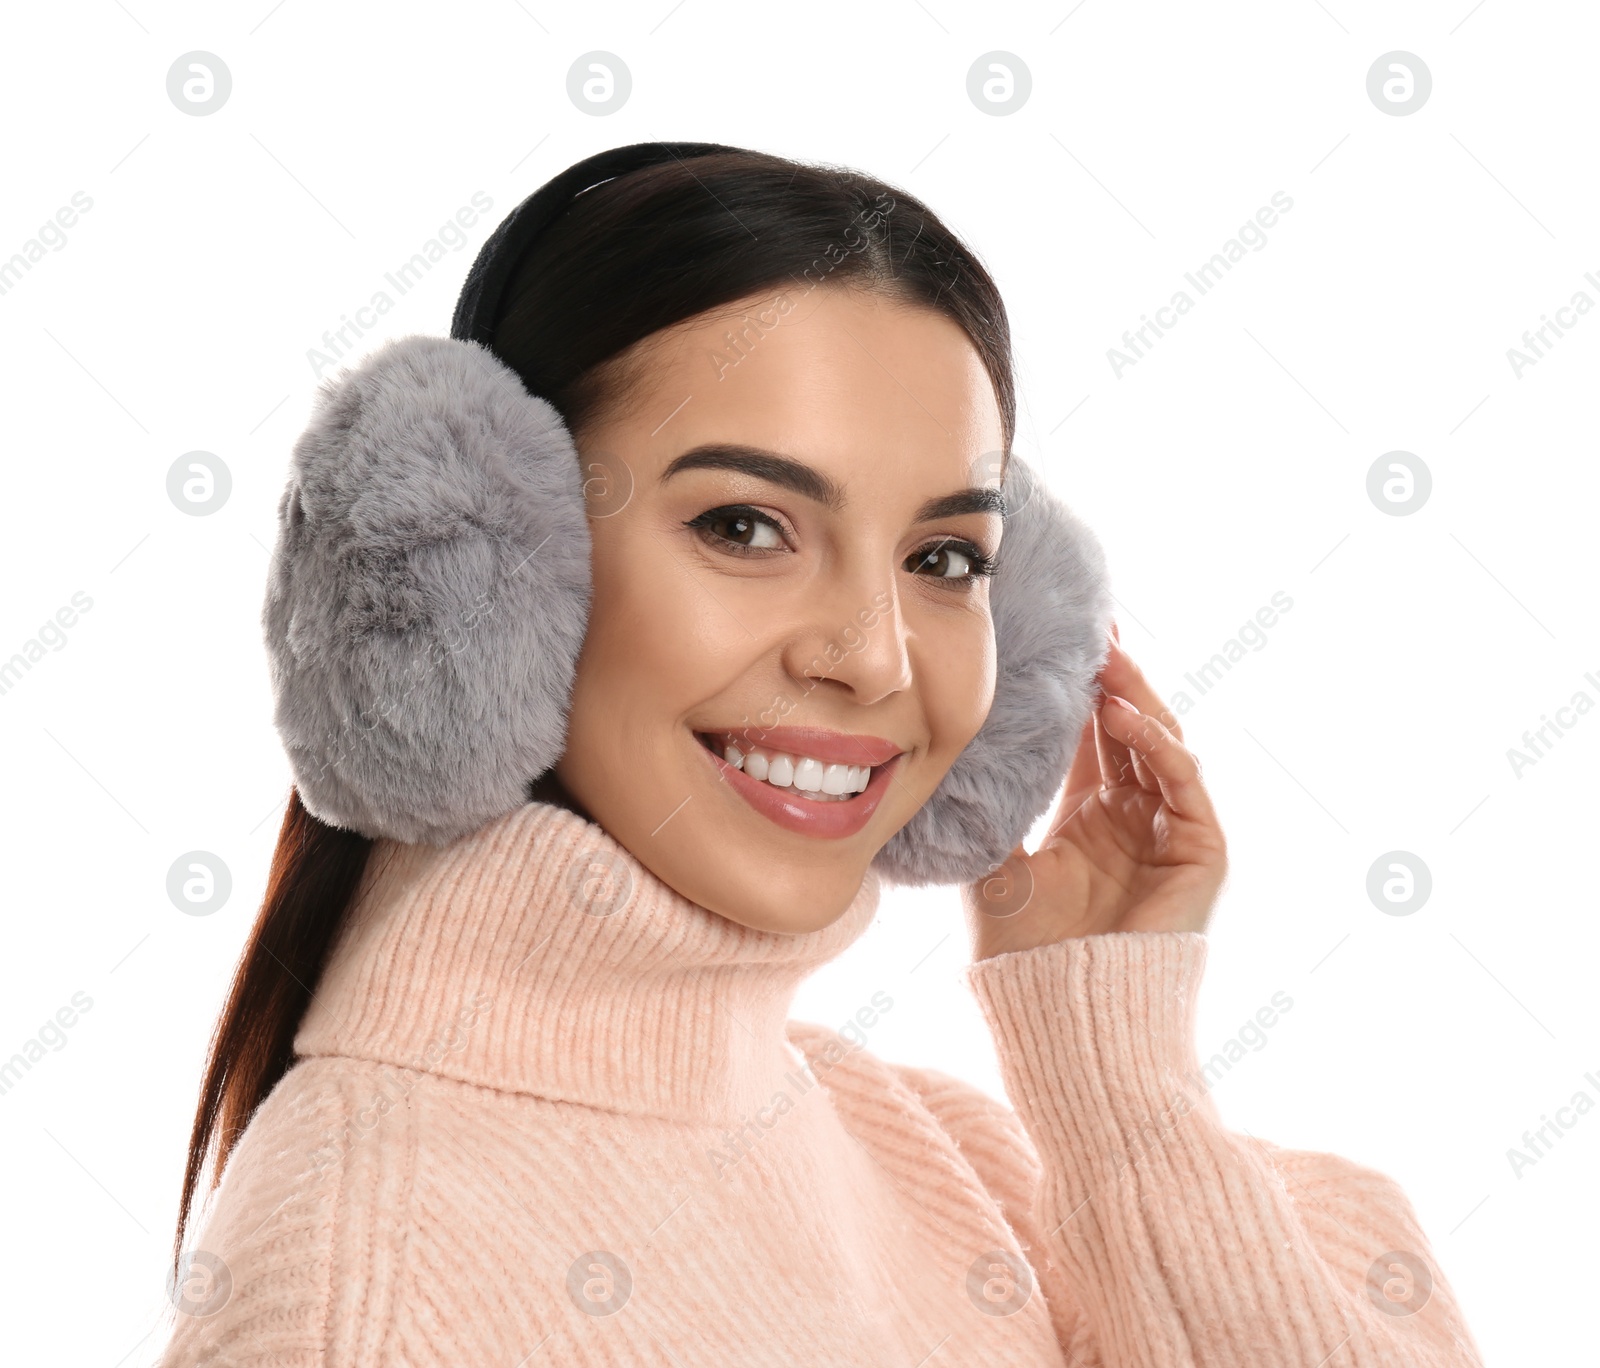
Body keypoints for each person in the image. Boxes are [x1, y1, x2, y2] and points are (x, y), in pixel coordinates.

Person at [157, 145, 1484, 1365]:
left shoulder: (930, 1149)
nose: (876, 659)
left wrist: (1118, 1069)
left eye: (945, 558)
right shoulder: (366, 1287)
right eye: (745, 526)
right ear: (478, 571)